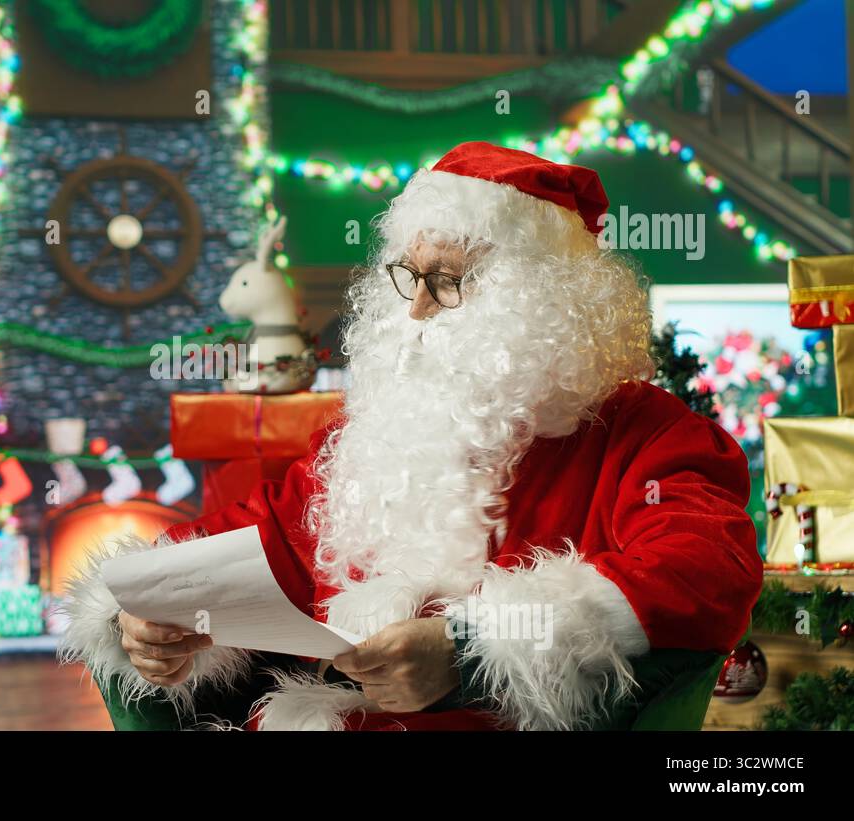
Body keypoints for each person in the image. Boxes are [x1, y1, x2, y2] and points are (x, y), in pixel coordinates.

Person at [59, 141, 762, 731]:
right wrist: (152, 610)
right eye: (409, 276)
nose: (418, 307)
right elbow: (259, 532)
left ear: (542, 304)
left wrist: (470, 647)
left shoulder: (651, 436)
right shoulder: (383, 432)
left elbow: (702, 571)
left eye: (448, 281)